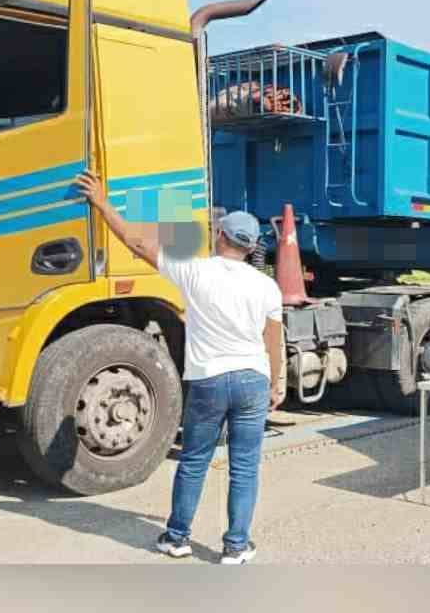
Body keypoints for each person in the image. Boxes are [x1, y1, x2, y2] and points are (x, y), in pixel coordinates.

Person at [77, 171, 283, 564]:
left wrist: (102, 203)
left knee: (193, 461)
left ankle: (176, 538)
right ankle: (236, 547)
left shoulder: (195, 271)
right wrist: (275, 385)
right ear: (252, 247)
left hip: (208, 379)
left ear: (220, 236)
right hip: (252, 379)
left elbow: (137, 242)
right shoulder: (266, 287)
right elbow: (272, 340)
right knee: (244, 467)